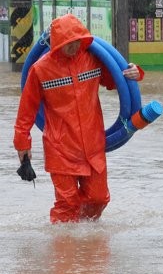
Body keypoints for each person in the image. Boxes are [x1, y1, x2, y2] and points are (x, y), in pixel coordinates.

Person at [14, 14, 145, 223]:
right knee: (67, 205)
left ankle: (85, 243)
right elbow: (26, 111)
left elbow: (115, 81)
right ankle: (63, 248)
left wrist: (135, 73)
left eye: (77, 41)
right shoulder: (40, 69)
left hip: (93, 147)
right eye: (68, 43)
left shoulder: (92, 59)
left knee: (99, 199)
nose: (74, 46)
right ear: (57, 43)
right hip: (60, 149)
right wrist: (23, 146)